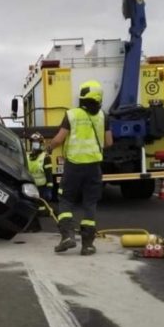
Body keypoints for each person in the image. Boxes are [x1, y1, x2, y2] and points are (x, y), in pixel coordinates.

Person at [46, 80, 113, 255]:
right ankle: (88, 245)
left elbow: (59, 139)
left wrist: (49, 148)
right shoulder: (103, 116)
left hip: (74, 165)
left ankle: (68, 236)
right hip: (94, 166)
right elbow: (108, 142)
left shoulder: (72, 114)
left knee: (66, 199)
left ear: (82, 97)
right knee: (90, 203)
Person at [26, 132, 54, 215]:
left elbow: (49, 174)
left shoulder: (46, 157)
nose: (34, 144)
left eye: (36, 142)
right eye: (33, 142)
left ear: (41, 144)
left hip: (42, 188)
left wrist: (49, 189)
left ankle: (43, 216)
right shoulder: (27, 157)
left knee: (42, 207)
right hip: (31, 188)